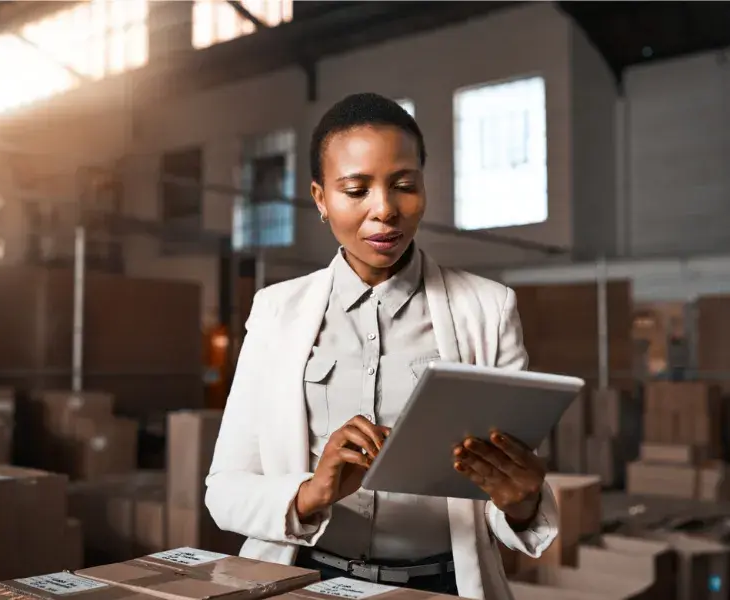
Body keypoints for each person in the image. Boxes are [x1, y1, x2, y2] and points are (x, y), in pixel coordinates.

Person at [205, 93, 558, 600]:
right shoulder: (276, 310)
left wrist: (522, 501)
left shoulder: (488, 308)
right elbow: (225, 490)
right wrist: (312, 493)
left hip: (441, 585)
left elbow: (508, 504)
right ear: (321, 198)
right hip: (305, 580)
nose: (385, 210)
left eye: (404, 186)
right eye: (355, 189)